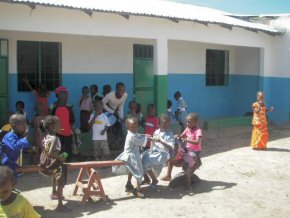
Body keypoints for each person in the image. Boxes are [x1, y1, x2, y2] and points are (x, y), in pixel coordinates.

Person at [112, 116, 151, 198]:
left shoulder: (132, 133)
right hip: (132, 156)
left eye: (136, 127)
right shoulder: (132, 136)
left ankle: (128, 184)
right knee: (139, 171)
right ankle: (137, 190)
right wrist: (149, 139)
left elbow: (138, 135)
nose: (134, 129)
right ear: (128, 127)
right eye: (132, 127)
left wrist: (144, 135)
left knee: (131, 170)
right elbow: (140, 141)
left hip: (129, 155)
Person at [39, 115, 69, 212]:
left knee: (54, 176)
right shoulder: (55, 138)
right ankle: (60, 205)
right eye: (59, 125)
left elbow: (44, 150)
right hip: (54, 164)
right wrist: (60, 158)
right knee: (61, 178)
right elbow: (51, 153)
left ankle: (54, 192)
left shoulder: (45, 137)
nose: (61, 126)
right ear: (53, 127)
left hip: (45, 164)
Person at [141, 114, 175, 188]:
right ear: (159, 125)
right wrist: (150, 150)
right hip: (154, 151)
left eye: (168, 126)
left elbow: (171, 147)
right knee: (140, 159)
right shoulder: (156, 132)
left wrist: (161, 141)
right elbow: (152, 143)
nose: (166, 128)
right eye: (164, 126)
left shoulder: (170, 134)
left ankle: (154, 180)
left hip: (163, 154)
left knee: (145, 162)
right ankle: (147, 178)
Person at [177, 113, 203, 190]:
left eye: (189, 122)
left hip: (195, 151)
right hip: (187, 149)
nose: (187, 124)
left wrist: (187, 139)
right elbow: (181, 136)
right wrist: (177, 136)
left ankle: (188, 184)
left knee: (189, 166)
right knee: (179, 154)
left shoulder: (198, 131)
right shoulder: (187, 129)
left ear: (195, 122)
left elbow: (197, 142)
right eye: (186, 122)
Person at [51, 86, 75, 162]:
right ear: (57, 95)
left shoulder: (69, 107)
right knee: (59, 147)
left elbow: (72, 120)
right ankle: (59, 160)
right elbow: (51, 119)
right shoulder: (53, 107)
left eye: (66, 94)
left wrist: (70, 129)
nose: (65, 95)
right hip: (58, 132)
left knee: (68, 148)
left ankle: (65, 160)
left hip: (67, 132)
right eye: (63, 93)